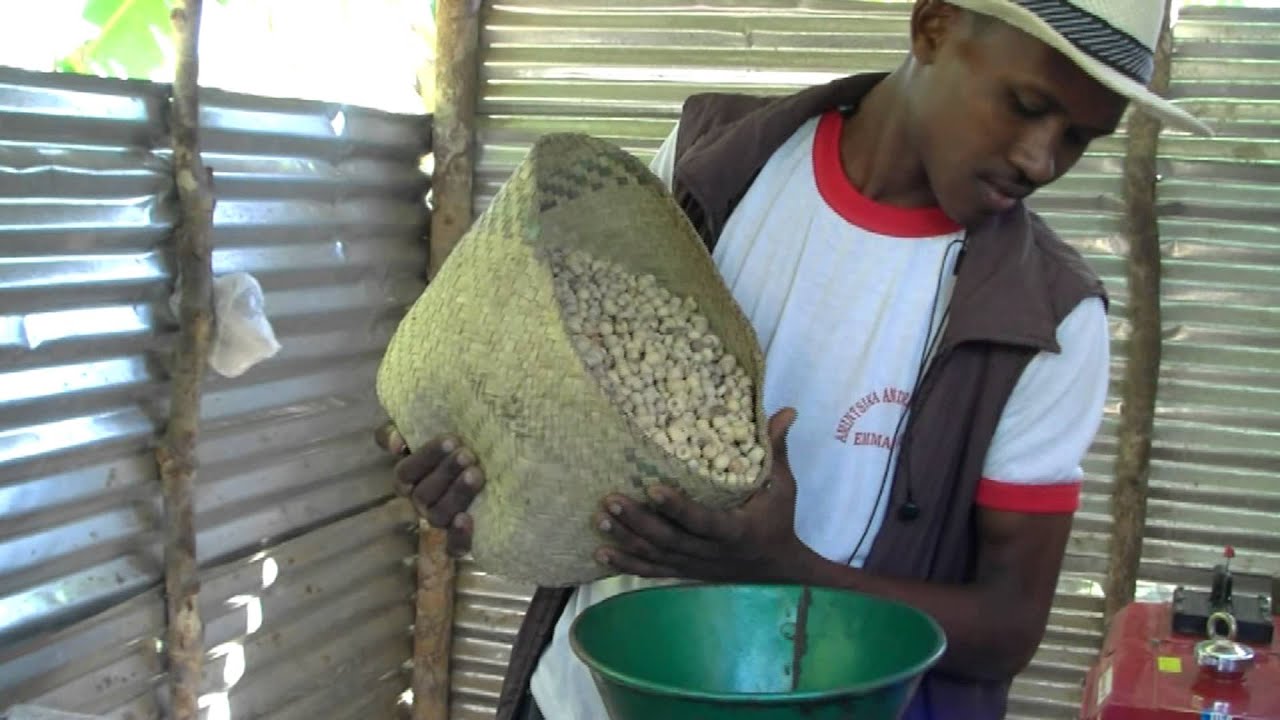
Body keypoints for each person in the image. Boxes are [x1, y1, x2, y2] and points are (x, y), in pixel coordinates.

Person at [379, 0, 1211, 717]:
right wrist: (469, 467)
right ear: (932, 26)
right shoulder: (712, 163)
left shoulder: (1046, 320)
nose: (1041, 160)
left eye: (1081, 139)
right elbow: (565, 410)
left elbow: (1007, 629)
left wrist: (783, 570)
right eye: (1026, 105)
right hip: (579, 696)